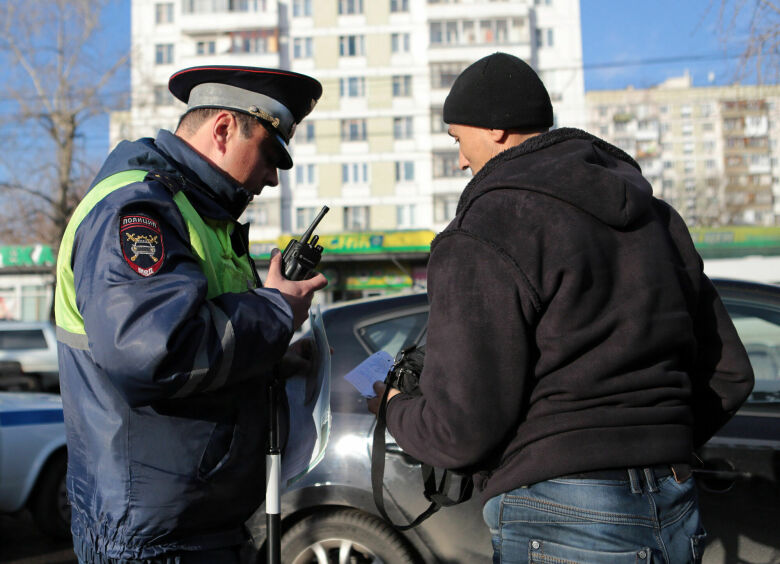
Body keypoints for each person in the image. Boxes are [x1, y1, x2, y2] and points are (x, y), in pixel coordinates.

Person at [369, 52, 754, 564]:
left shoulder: (486, 228)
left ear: (496, 129)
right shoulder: (657, 219)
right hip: (675, 501)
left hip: (560, 511)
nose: (460, 160)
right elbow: (730, 374)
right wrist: (652, 442)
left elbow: (460, 431)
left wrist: (392, 405)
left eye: (457, 140)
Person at [54, 65, 327, 563]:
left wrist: (274, 359)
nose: (271, 178)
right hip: (154, 539)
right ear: (223, 129)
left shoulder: (204, 216)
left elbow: (206, 347)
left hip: (198, 523)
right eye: (270, 155)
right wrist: (276, 310)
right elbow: (154, 354)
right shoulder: (138, 207)